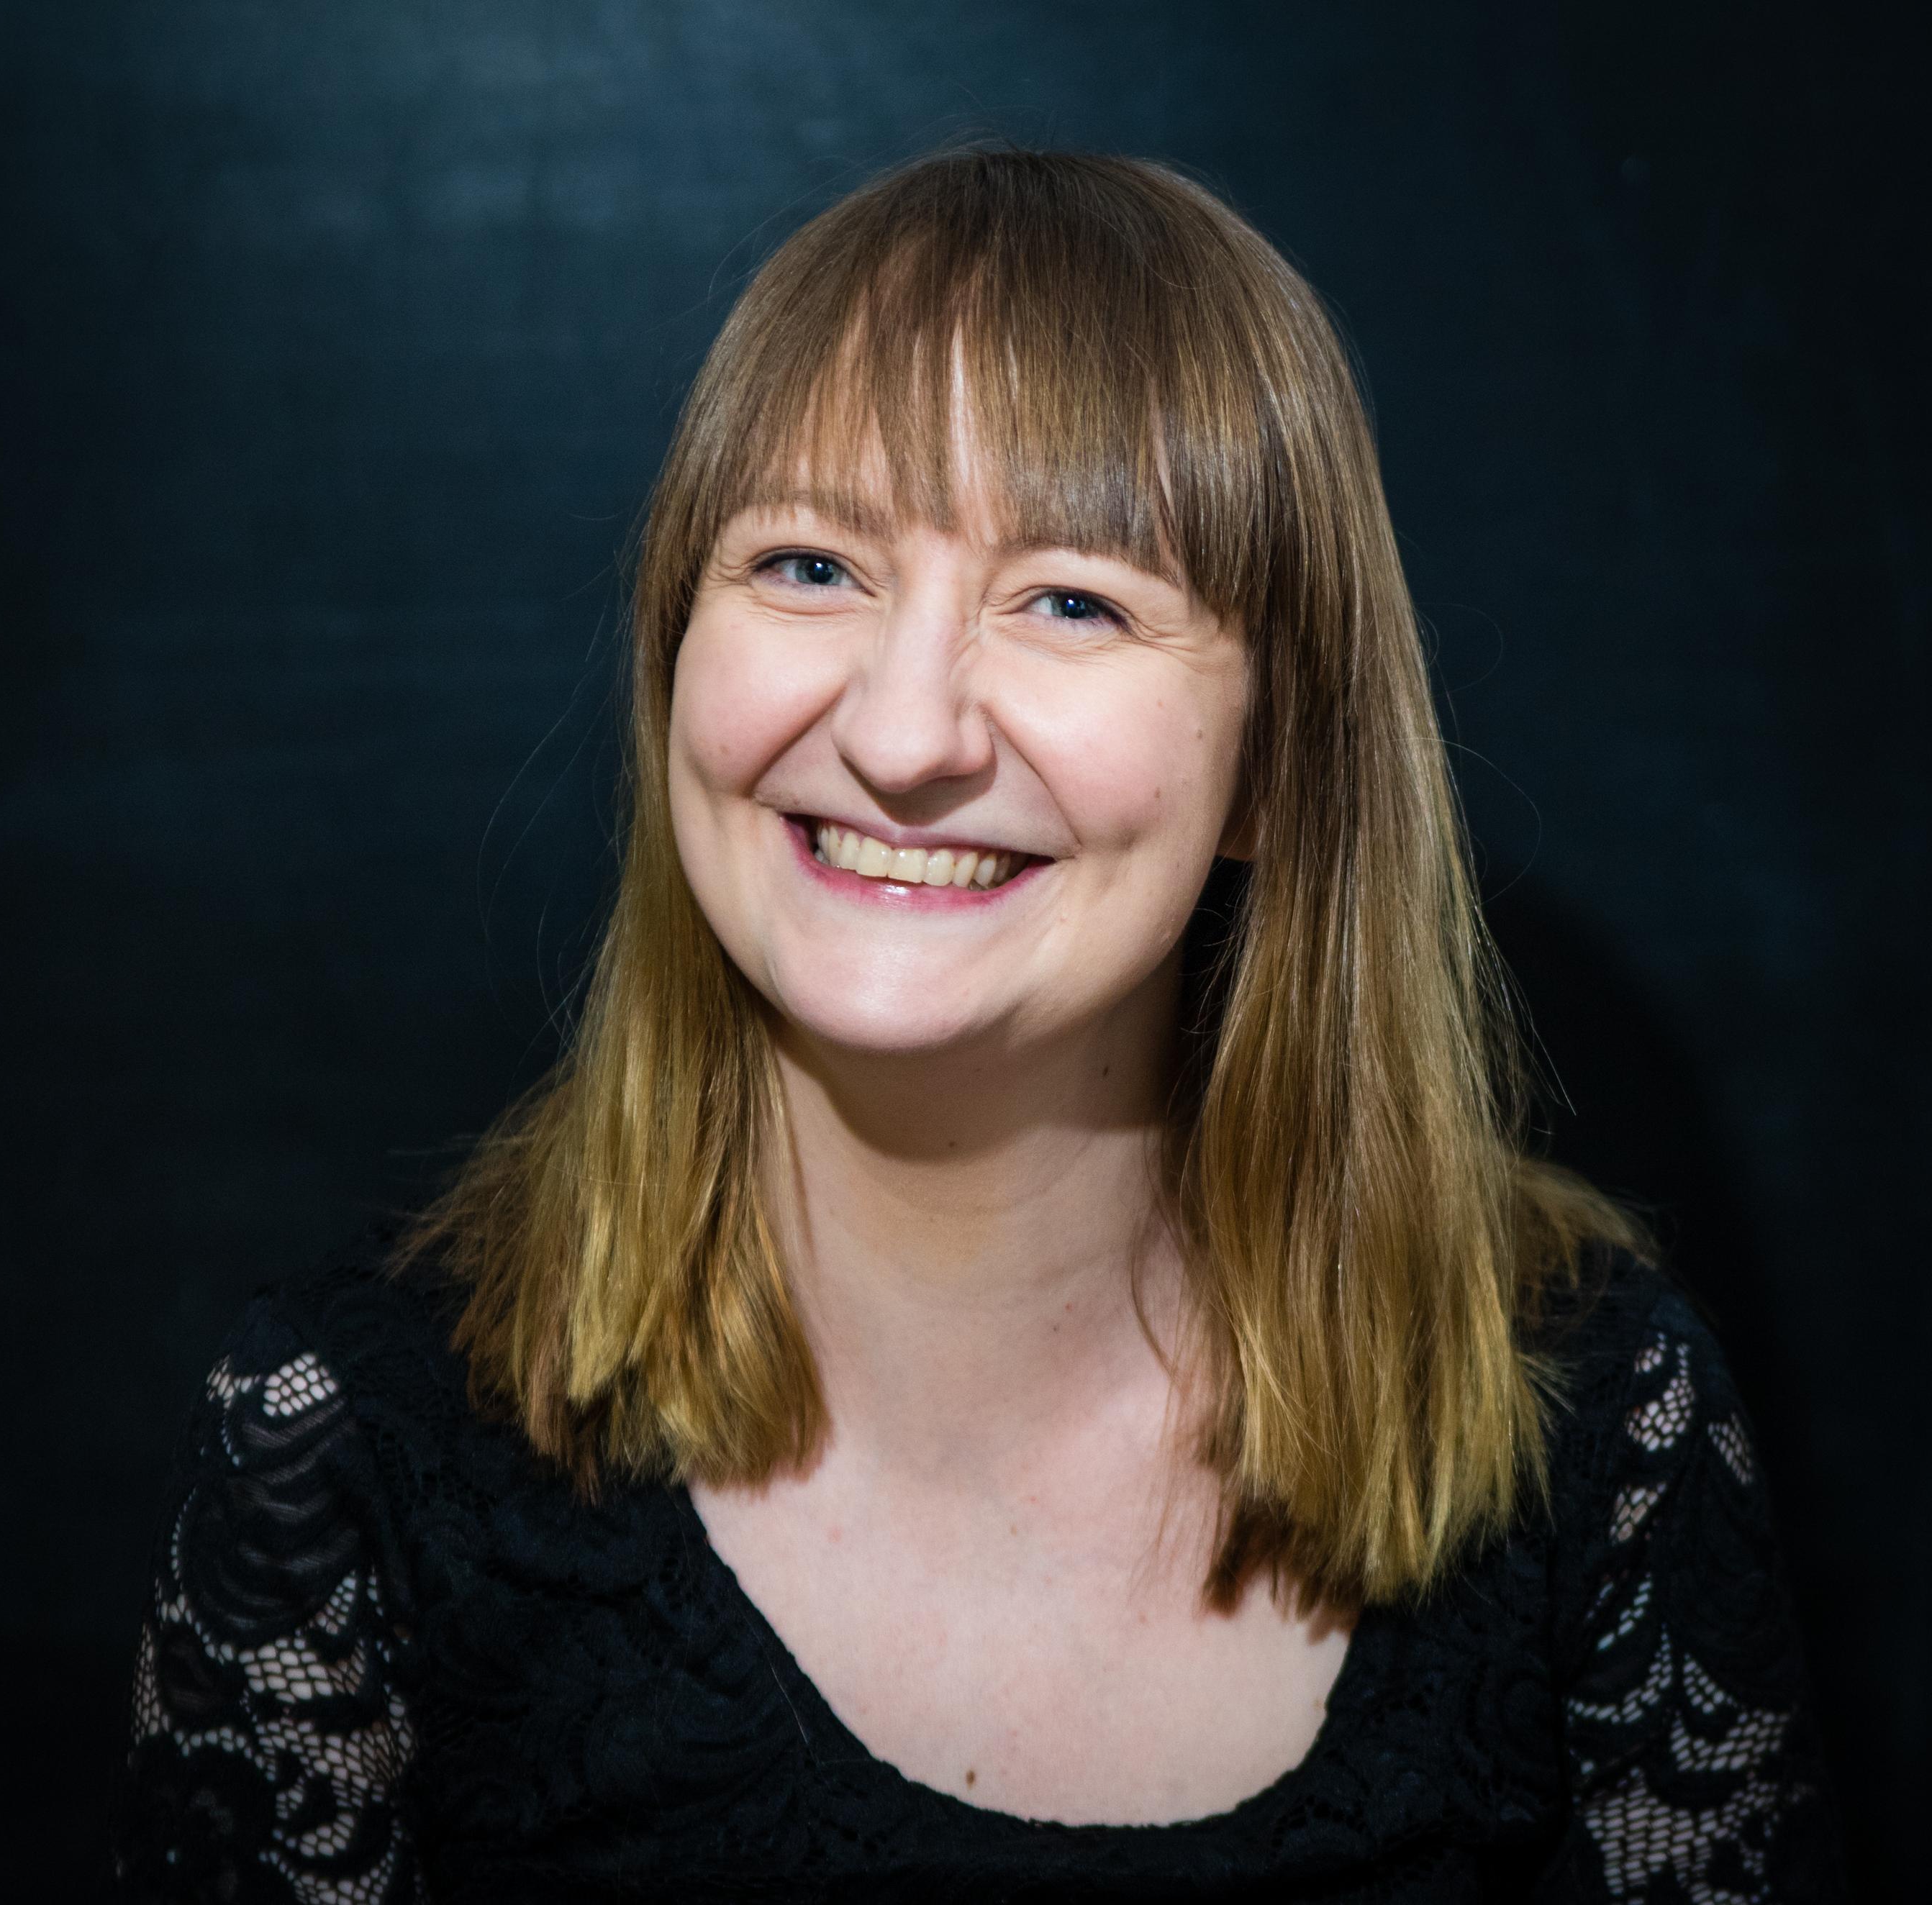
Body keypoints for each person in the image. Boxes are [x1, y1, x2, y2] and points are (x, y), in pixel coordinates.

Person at [112, 149, 1841, 1901]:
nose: (905, 728)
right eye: (808, 565)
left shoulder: (1595, 1425)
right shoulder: (350, 1444)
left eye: (1073, 599)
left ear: (1279, 766)